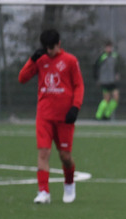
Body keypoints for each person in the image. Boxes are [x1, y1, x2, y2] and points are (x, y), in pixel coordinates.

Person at [18, 29, 84, 204]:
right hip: (44, 116)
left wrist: (75, 107)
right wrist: (32, 59)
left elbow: (79, 86)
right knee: (43, 153)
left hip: (64, 117)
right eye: (47, 48)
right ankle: (43, 192)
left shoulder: (70, 61)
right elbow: (22, 78)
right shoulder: (40, 60)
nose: (49, 51)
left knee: (65, 156)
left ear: (59, 44)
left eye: (52, 48)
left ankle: (69, 184)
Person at [94, 42, 120, 121]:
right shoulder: (102, 57)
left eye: (110, 47)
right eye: (107, 47)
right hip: (104, 81)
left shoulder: (114, 56)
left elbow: (117, 66)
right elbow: (96, 67)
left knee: (116, 97)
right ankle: (98, 116)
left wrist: (117, 74)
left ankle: (107, 114)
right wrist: (97, 78)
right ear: (105, 48)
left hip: (112, 80)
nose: (109, 49)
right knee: (106, 99)